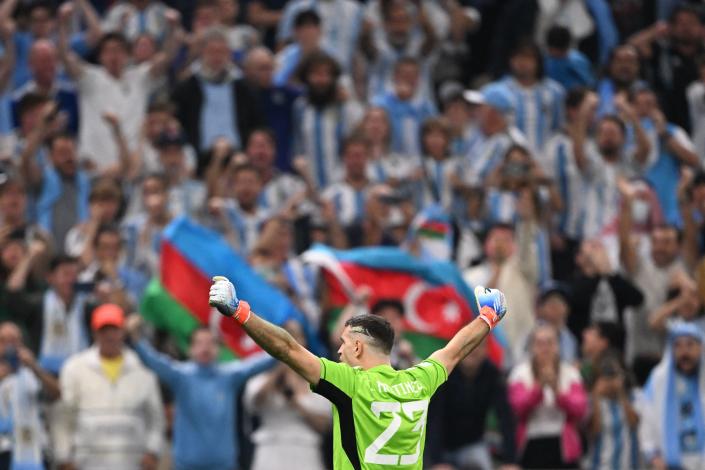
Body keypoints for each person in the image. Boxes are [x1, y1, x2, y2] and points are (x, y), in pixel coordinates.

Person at [208, 276, 508, 470]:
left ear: (359, 347)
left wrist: (239, 312)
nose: (339, 351)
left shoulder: (350, 384)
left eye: (343, 343)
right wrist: (487, 317)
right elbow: (456, 349)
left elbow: (287, 349)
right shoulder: (419, 381)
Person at [127, 315, 274, 470]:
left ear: (219, 349)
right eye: (199, 343)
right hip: (187, 466)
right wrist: (136, 338)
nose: (205, 348)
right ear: (190, 349)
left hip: (224, 466)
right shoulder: (180, 376)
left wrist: (285, 347)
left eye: (210, 343)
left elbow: (259, 363)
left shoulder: (230, 376)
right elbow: (152, 360)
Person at [54, 304, 164, 470]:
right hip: (87, 463)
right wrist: (63, 457)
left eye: (114, 330)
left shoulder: (143, 369)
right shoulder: (74, 368)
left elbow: (156, 417)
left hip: (132, 463)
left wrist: (153, 451)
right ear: (94, 333)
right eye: (103, 330)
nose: (109, 336)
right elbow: (63, 417)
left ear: (123, 332)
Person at [243, 321, 330, 470]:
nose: (291, 340)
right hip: (269, 452)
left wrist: (296, 404)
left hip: (305, 454)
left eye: (297, 336)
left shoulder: (319, 382)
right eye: (286, 334)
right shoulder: (259, 379)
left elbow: (325, 426)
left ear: (305, 341)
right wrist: (280, 369)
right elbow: (254, 405)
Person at [426, 339, 518, 470]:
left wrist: (510, 461)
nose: (472, 351)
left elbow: (505, 417)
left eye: (478, 346)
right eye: (468, 345)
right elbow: (434, 418)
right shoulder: (443, 373)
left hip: (472, 444)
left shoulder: (493, 375)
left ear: (486, 351)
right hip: (438, 447)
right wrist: (437, 461)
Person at [508, 323, 588, 469]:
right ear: (532, 347)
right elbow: (517, 408)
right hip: (531, 442)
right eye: (539, 343)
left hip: (563, 443)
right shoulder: (519, 374)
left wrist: (557, 391)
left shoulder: (571, 374)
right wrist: (538, 388)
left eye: (550, 343)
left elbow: (580, 410)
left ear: (557, 346)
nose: (545, 348)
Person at [640, 321, 705, 470]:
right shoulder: (658, 379)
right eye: (678, 346)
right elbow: (647, 417)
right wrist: (653, 455)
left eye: (690, 345)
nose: (684, 352)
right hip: (669, 462)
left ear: (701, 348)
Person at [0, 322, 60, 470]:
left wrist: (34, 367)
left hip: (35, 449)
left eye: (14, 340)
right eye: (3, 341)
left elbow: (57, 393)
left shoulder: (33, 372)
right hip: (4, 450)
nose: (9, 346)